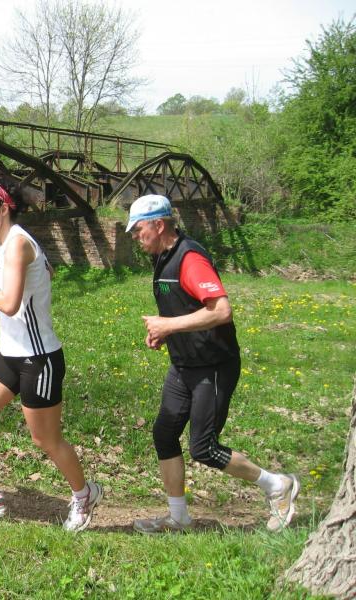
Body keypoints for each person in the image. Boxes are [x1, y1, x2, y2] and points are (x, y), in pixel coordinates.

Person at [127, 194, 299, 534]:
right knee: (164, 434)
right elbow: (185, 306)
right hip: (184, 364)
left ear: (159, 225)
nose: (134, 236)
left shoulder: (190, 258)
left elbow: (221, 310)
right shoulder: (162, 257)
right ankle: (178, 518)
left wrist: (169, 325)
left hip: (213, 366)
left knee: (203, 447)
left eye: (138, 229)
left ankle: (278, 486)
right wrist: (166, 333)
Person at [0, 173, 103, 531]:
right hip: (9, 353)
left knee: (45, 438)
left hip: (38, 358)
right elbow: (46, 271)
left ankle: (85, 495)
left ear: (3, 208)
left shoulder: (17, 243)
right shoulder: (11, 242)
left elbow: (10, 303)